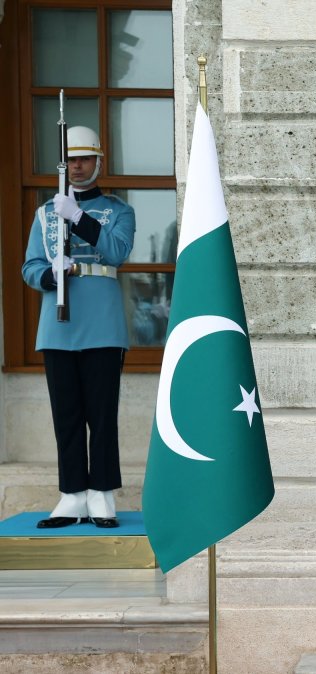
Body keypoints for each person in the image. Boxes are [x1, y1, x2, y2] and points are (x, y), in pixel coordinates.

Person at [21, 126, 135, 529]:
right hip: (57, 324)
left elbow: (117, 251)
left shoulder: (119, 210)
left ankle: (101, 492)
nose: (78, 165)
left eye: (85, 158)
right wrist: (49, 276)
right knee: (65, 414)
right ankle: (72, 494)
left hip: (102, 325)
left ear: (99, 162)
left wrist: (79, 218)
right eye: (72, 159)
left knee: (101, 415)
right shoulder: (42, 213)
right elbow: (30, 266)